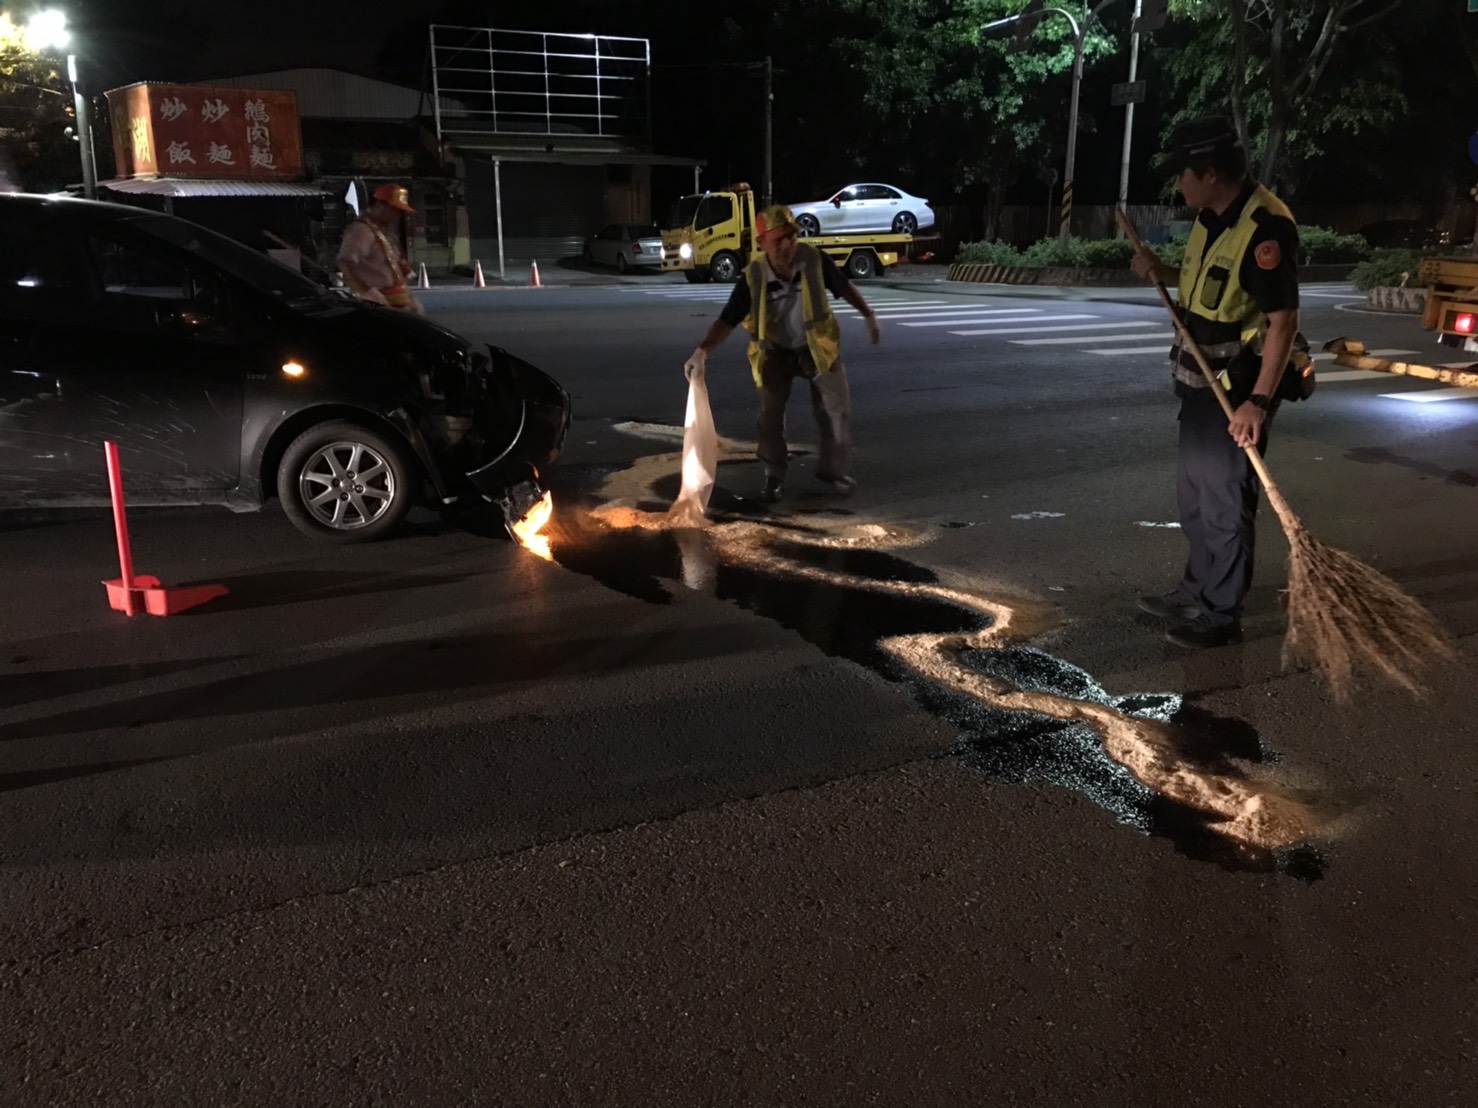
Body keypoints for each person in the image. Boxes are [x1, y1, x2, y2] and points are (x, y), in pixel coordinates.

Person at [1129, 117, 1303, 650]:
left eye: (1183, 174)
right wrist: (1162, 272)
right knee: (1196, 498)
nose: (1178, 185)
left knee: (1226, 503)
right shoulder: (1208, 217)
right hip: (1199, 387)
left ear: (1209, 173)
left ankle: (1221, 614)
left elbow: (1283, 322)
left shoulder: (1265, 229)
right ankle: (1196, 589)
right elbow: (1207, 289)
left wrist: (1256, 403)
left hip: (1236, 393)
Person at [683, 203, 881, 503]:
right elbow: (728, 319)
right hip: (774, 353)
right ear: (763, 244)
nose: (788, 244)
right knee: (770, 418)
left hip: (819, 348)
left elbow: (844, 286)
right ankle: (774, 477)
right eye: (779, 239)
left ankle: (834, 471)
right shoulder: (753, 277)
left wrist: (869, 315)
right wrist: (702, 352)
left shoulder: (813, 260)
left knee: (836, 411)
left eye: (792, 236)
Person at [337, 183, 422, 313]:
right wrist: (368, 293)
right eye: (394, 209)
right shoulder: (361, 230)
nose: (397, 216)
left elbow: (396, 267)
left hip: (395, 304)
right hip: (375, 306)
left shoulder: (384, 232)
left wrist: (409, 298)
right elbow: (345, 262)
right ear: (380, 205)